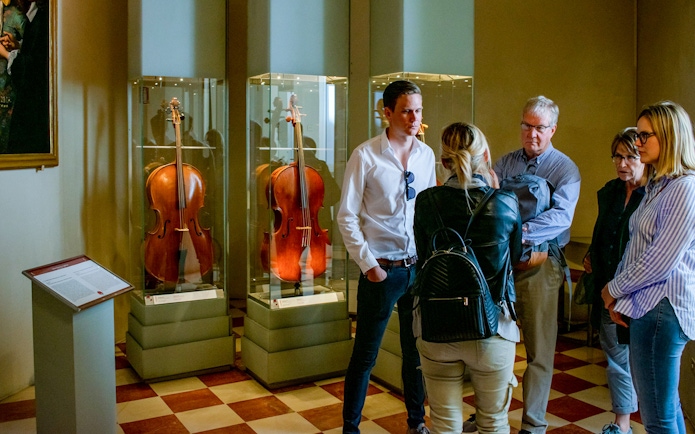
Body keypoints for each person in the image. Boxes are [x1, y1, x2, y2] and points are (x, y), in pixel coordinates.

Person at [337, 80, 436, 434]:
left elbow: (428, 212)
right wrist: (370, 266)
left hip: (416, 269)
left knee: (415, 355)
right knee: (365, 356)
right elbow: (346, 216)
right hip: (382, 270)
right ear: (387, 112)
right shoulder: (366, 155)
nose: (415, 117)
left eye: (419, 110)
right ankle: (351, 428)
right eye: (407, 110)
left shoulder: (426, 156)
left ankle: (416, 423)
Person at [413, 122, 522, 434]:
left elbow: (424, 258)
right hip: (493, 329)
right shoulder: (505, 203)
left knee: (444, 426)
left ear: (444, 161)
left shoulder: (426, 201)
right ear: (485, 155)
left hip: (436, 327)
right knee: (493, 423)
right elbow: (512, 261)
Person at [601, 101, 695, 434]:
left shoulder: (684, 188)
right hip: (649, 308)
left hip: (661, 312)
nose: (637, 142)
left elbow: (658, 262)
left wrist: (612, 290)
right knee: (666, 411)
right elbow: (637, 250)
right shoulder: (660, 185)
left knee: (657, 419)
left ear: (669, 136)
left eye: (644, 135)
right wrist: (623, 300)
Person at [493, 95, 581, 434]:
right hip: (502, 264)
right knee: (494, 343)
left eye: (539, 128)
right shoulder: (504, 164)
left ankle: (533, 424)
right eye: (526, 126)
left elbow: (560, 217)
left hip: (542, 264)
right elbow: (490, 200)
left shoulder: (564, 168)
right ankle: (492, 415)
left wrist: (518, 233)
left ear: (552, 129)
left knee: (539, 351)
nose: (532, 134)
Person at [583, 128, 644, 434]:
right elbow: (603, 235)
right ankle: (622, 424)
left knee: (645, 364)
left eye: (630, 156)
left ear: (644, 158)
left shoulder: (655, 195)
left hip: (643, 294)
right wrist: (592, 256)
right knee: (618, 361)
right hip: (608, 291)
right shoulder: (610, 192)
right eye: (618, 156)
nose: (622, 163)